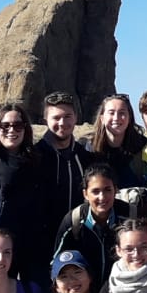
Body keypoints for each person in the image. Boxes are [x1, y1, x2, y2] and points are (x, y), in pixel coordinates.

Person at [0, 102, 47, 286]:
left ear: (25, 129)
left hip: (27, 248)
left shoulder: (38, 162)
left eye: (18, 125)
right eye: (5, 125)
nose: (11, 130)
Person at [52, 165, 129, 292]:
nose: (102, 197)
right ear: (85, 194)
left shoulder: (129, 215)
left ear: (115, 190)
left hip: (123, 289)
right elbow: (57, 263)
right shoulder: (74, 220)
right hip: (84, 292)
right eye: (95, 191)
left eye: (107, 190)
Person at [34, 91, 91, 255]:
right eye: (56, 117)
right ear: (46, 120)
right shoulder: (34, 157)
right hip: (40, 247)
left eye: (68, 116)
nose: (62, 123)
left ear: (75, 118)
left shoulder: (85, 157)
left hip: (79, 243)